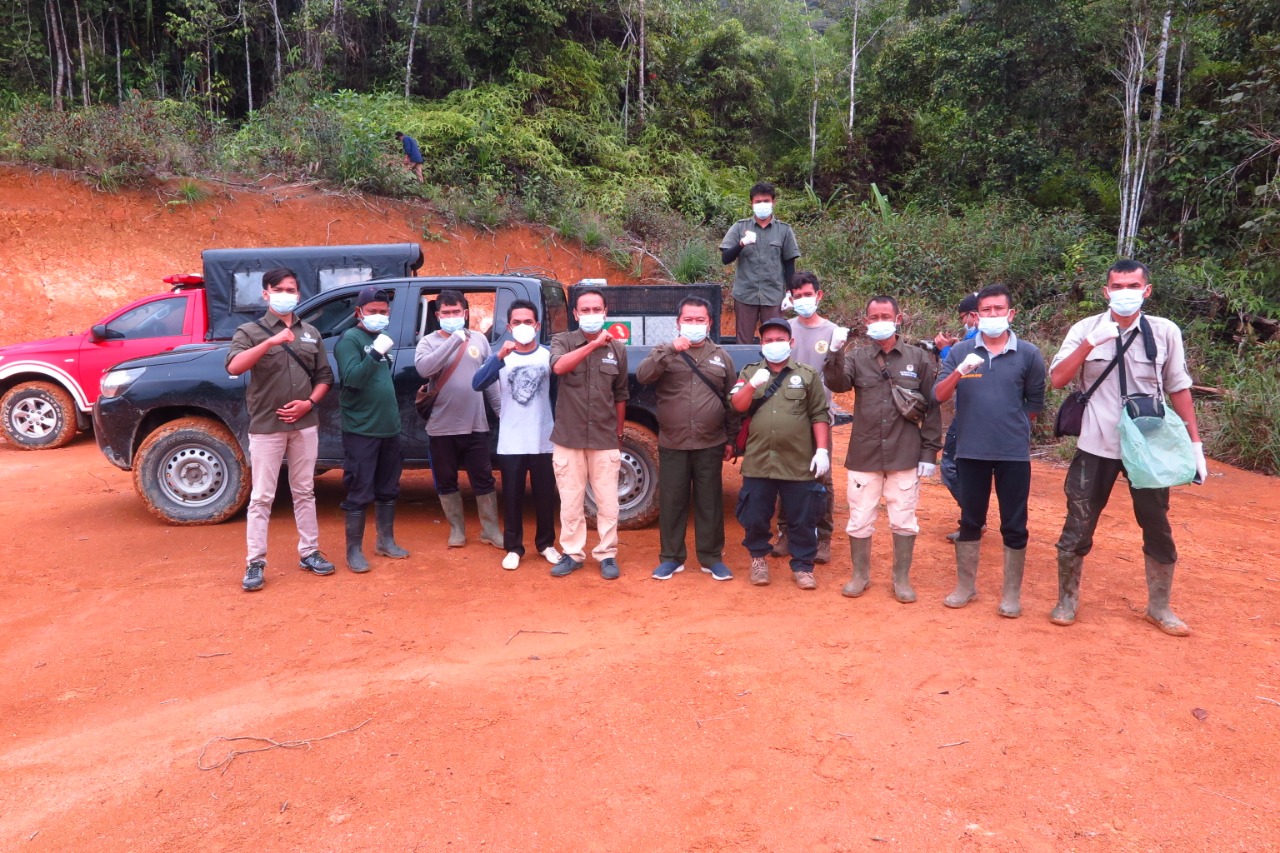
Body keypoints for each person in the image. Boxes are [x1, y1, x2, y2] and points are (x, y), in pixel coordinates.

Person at [1047, 260, 1207, 636]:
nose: (1124, 292)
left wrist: (1194, 444)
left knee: (1157, 524)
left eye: (1132, 285)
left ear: (1147, 290)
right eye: (1117, 286)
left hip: (1148, 447)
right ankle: (1066, 600)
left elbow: (1178, 387)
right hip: (1096, 443)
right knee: (1079, 521)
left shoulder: (1164, 332)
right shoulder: (1085, 329)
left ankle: (1160, 607)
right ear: (1105, 292)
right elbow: (1057, 380)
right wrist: (1091, 343)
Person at [933, 283, 1045, 617]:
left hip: (1013, 453)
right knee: (970, 519)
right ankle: (965, 587)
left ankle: (1011, 595)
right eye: (986, 310)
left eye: (999, 310)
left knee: (1014, 523)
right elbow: (939, 395)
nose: (992, 315)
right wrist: (959, 371)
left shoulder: (1028, 354)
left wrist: (1011, 427)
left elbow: (1034, 403)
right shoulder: (961, 352)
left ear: (1011, 314)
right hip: (971, 450)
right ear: (976, 316)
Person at [823, 295, 942, 603]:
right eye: (873, 317)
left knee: (903, 518)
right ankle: (860, 575)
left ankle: (900, 579)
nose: (879, 322)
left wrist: (930, 453)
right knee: (860, 517)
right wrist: (835, 351)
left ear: (898, 318)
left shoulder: (918, 358)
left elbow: (932, 407)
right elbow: (837, 384)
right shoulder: (856, 356)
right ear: (865, 323)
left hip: (905, 452)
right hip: (865, 453)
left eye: (885, 316)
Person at [226, 267, 335, 592]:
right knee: (262, 496)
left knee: (304, 490)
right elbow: (234, 366)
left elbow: (324, 377)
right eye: (281, 290)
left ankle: (310, 552)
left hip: (304, 425)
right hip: (267, 426)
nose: (288, 295)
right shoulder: (249, 331)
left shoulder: (311, 333)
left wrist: (309, 404)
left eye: (292, 289)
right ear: (266, 294)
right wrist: (270, 342)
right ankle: (255, 562)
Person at [636, 296, 738, 582]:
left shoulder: (720, 356)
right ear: (678, 322)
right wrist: (670, 349)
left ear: (709, 323)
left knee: (710, 502)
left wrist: (731, 438)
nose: (694, 325)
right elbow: (644, 376)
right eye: (688, 320)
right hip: (673, 441)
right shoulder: (664, 351)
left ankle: (711, 557)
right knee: (672, 501)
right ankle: (671, 557)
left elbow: (731, 400)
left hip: (711, 441)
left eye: (700, 320)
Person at [730, 317, 831, 589]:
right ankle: (758, 559)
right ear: (761, 344)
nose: (774, 344)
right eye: (768, 340)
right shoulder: (750, 372)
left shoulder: (807, 374)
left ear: (791, 342)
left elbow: (819, 414)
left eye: (779, 339)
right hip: (759, 461)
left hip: (797, 460)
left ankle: (803, 566)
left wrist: (822, 450)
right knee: (755, 515)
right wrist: (752, 386)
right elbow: (737, 406)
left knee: (802, 516)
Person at [472, 299, 562, 571]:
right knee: (511, 496)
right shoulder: (501, 357)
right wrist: (498, 357)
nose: (523, 326)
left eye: (528, 322)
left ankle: (546, 543)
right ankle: (514, 548)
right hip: (511, 440)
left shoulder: (548, 355)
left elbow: (558, 394)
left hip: (543, 438)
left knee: (545, 495)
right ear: (509, 326)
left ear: (537, 325)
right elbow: (477, 384)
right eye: (517, 322)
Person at [548, 288, 629, 580]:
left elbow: (621, 394)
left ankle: (607, 554)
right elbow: (559, 367)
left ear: (605, 313)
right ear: (575, 314)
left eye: (597, 310)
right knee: (571, 500)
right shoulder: (563, 340)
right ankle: (572, 554)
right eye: (586, 310)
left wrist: (619, 432)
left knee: (608, 502)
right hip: (568, 437)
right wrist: (593, 345)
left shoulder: (618, 349)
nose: (591, 315)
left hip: (604, 437)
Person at [413, 289, 503, 550]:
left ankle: (491, 530)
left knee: (483, 479)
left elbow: (489, 381)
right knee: (446, 479)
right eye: (446, 313)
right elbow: (424, 369)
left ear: (465, 313)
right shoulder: (428, 342)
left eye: (456, 312)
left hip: (475, 424)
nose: (451, 316)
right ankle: (457, 530)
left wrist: (499, 411)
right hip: (441, 426)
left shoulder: (479, 340)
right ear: (438, 315)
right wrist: (453, 340)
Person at [772, 271, 848, 564]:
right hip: (786, 415)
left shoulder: (832, 332)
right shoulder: (786, 329)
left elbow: (838, 378)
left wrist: (838, 352)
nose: (803, 300)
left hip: (819, 417)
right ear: (790, 298)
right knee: (784, 474)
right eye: (797, 295)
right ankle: (786, 532)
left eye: (808, 294)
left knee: (822, 477)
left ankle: (823, 537)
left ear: (819, 295)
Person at [334, 286, 411, 573]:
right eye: (372, 312)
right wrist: (376, 353)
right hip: (361, 429)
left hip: (388, 428)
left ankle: (385, 541)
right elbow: (352, 379)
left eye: (383, 312)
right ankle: (353, 550)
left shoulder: (382, 338)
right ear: (359, 313)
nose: (378, 316)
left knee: (388, 487)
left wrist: (380, 348)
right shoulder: (350, 340)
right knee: (359, 488)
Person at [720, 181, 801, 344]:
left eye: (766, 201)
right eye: (758, 201)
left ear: (773, 202)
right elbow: (725, 258)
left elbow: (789, 265)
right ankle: (744, 370)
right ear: (752, 203)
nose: (762, 204)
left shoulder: (784, 230)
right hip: (745, 295)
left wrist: (789, 294)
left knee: (775, 339)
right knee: (743, 341)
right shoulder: (739, 227)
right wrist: (741, 243)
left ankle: (772, 370)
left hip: (773, 296)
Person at [935, 293, 980, 541]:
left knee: (950, 466)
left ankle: (974, 518)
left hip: (966, 417)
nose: (964, 322)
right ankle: (973, 518)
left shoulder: (974, 337)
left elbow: (957, 373)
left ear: (972, 315)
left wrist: (945, 351)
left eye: (964, 317)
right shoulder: (997, 337)